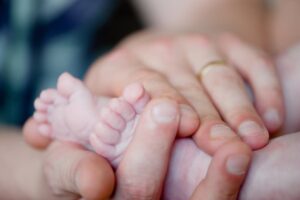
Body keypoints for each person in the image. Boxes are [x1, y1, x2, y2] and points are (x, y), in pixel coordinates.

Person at [1, 0, 300, 199]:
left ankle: (262, 93)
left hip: (108, 85)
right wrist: (30, 173)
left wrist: (195, 51)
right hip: (31, 154)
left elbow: (211, 6)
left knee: (273, 80)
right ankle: (189, 167)